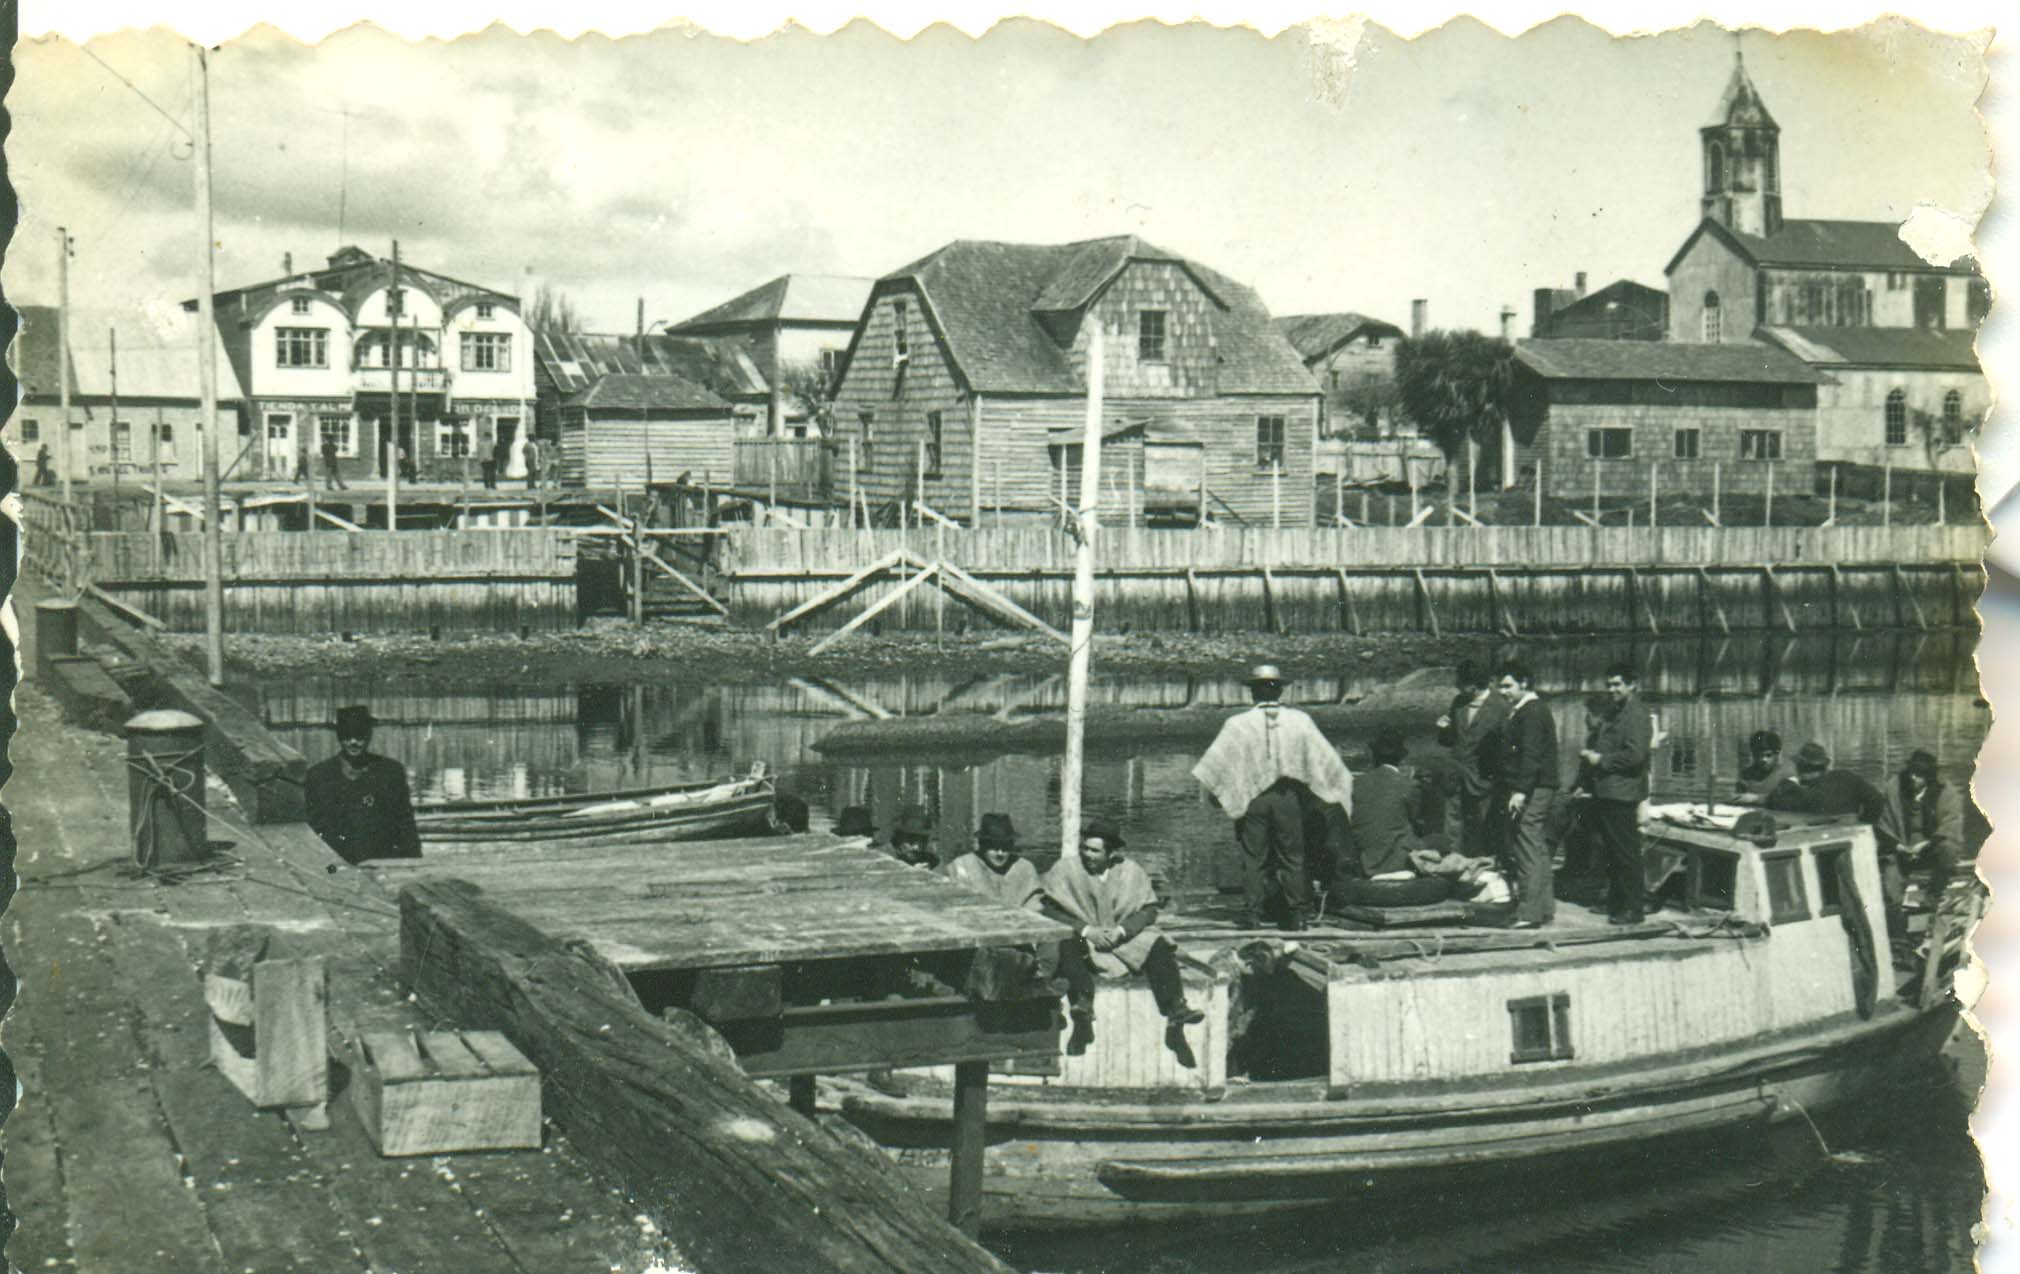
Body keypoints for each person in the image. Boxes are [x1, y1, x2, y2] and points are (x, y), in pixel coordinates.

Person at [1192, 663, 1355, 931]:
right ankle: (1297, 914)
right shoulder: (1300, 721)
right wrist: (1329, 790)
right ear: (1280, 690)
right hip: (1288, 798)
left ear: (1252, 692)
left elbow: (1217, 765)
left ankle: (1253, 914)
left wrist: (1218, 795)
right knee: (1293, 856)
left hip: (1252, 799)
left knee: (1254, 857)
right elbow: (1325, 762)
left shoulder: (1238, 724)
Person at [1039, 818, 1205, 1066]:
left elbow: (1149, 910)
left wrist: (1122, 930)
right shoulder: (1066, 869)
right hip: (1087, 937)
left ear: (1112, 852)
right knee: (1066, 943)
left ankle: (1175, 1010)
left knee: (1158, 944)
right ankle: (1082, 1009)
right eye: (1084, 848)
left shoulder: (1131, 872)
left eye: (1095, 850)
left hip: (1122, 938)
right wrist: (1086, 930)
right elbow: (1049, 909)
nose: (1087, 854)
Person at [1577, 663, 1655, 925]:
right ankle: (1615, 902)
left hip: (1622, 793)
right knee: (1611, 850)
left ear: (1632, 684)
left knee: (1626, 852)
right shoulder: (1617, 711)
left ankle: (1634, 909)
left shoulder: (1637, 714)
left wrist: (1600, 760)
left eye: (1617, 684)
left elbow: (1635, 755)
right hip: (1607, 791)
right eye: (1609, 684)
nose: (1611, 690)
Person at [304, 705, 421, 865]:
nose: (353, 742)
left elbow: (405, 823)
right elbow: (313, 829)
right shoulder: (318, 776)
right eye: (347, 736)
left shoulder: (391, 772)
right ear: (339, 736)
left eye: (359, 736)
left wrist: (413, 864)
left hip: (382, 864)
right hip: (336, 868)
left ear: (368, 735)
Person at [1495, 660, 1560, 930]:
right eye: (1500, 686)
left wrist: (1520, 791)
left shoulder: (1531, 712)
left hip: (1533, 787)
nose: (1503, 691)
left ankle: (1529, 913)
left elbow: (1531, 755)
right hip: (1540, 785)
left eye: (1508, 685)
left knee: (1526, 843)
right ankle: (1543, 907)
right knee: (1536, 845)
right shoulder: (1527, 709)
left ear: (1524, 683)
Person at [1875, 750, 1963, 929]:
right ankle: (1894, 918)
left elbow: (1950, 824)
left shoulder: (1945, 791)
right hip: (1899, 849)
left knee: (1948, 849)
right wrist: (1898, 846)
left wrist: (1926, 844)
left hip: (1929, 848)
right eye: (1912, 772)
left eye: (1920, 774)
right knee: (1890, 882)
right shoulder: (1893, 788)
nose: (1914, 777)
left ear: (1929, 777)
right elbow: (1881, 823)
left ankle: (1933, 896)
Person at [1349, 728, 1443, 880]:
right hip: (1397, 859)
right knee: (1439, 839)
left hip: (1366, 859)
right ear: (1400, 758)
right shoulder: (1408, 785)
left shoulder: (1357, 783)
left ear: (1374, 756)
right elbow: (1417, 822)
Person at [1437, 661, 1507, 857]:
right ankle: (1453, 862)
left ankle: (1484, 865)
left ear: (1474, 685)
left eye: (1460, 683)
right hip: (1456, 774)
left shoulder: (1501, 707)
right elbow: (1451, 740)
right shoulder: (1458, 702)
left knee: (1484, 826)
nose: (1456, 686)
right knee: (1452, 823)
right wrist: (1443, 729)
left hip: (1483, 778)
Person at [941, 812, 1042, 910]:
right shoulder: (963, 865)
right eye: (994, 847)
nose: (1000, 853)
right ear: (983, 845)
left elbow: (1035, 905)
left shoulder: (1024, 868)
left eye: (1005, 848)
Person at [1766, 743, 1885, 823]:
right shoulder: (1847, 777)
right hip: (1851, 833)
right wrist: (1864, 824)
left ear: (1801, 768)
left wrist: (1786, 784)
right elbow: (1877, 800)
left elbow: (1771, 802)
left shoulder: (1796, 792)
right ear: (1824, 766)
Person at [1733, 730, 1793, 804]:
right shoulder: (1746, 775)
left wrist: (1756, 798)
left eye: (1768, 755)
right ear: (1753, 754)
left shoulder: (1788, 775)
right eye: (1758, 755)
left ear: (1777, 754)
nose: (1763, 759)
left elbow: (1792, 801)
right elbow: (1738, 797)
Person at [886, 802, 939, 868]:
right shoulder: (887, 857)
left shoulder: (931, 860)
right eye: (910, 838)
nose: (916, 846)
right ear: (899, 838)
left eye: (921, 839)